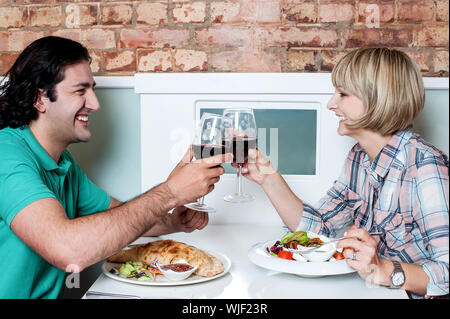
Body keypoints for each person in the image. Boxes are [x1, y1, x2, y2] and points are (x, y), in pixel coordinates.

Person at [0, 36, 231, 299]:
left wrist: (171, 222)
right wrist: (170, 192)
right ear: (39, 98)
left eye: (93, 90)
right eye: (80, 91)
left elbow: (117, 217)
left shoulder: (63, 164)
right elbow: (68, 250)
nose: (95, 104)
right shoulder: (6, 156)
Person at [240, 47, 449, 298]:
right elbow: (319, 228)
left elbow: (447, 272)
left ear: (378, 98)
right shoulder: (358, 158)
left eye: (342, 94)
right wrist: (268, 177)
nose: (331, 104)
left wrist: (384, 269)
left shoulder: (425, 166)